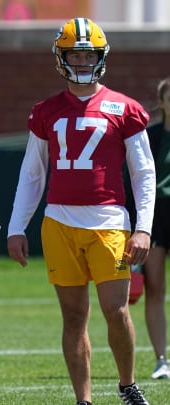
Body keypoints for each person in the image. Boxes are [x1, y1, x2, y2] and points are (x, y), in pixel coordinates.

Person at [7, 17, 155, 405]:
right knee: (73, 316)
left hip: (108, 222)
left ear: (101, 57)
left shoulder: (125, 108)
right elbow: (32, 173)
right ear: (61, 57)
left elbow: (144, 174)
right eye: (75, 53)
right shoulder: (46, 111)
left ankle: (126, 384)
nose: (83, 61)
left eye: (88, 54)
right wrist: (16, 227)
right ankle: (83, 399)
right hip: (59, 222)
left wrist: (143, 229)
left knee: (116, 310)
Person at [140, 77, 170, 380]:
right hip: (155, 215)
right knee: (155, 290)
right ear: (162, 102)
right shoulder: (150, 136)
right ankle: (161, 359)